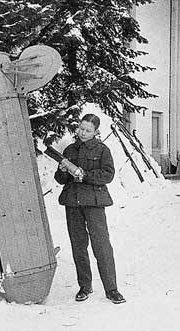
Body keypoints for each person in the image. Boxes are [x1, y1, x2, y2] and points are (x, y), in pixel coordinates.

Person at [54, 113, 126, 304]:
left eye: (88, 130)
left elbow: (108, 175)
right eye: (81, 128)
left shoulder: (102, 150)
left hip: (94, 202)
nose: (83, 132)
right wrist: (63, 171)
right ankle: (85, 286)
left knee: (101, 246)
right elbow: (60, 180)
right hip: (72, 202)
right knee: (78, 245)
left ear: (95, 132)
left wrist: (84, 175)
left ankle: (112, 289)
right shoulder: (69, 150)